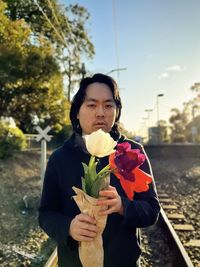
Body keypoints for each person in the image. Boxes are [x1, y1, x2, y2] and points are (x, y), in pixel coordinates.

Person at [38, 73, 160, 267]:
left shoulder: (131, 152)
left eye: (108, 105)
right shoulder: (60, 158)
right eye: (92, 105)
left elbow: (152, 211)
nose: (101, 113)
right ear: (77, 112)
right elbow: (46, 214)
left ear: (116, 112)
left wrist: (123, 206)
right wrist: (68, 227)